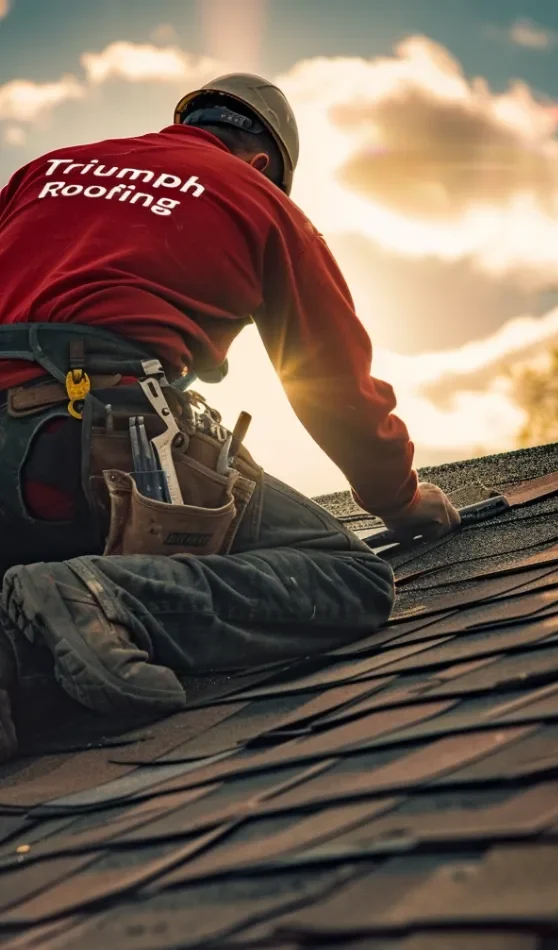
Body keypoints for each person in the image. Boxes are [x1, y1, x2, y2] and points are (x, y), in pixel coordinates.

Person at [0, 73, 460, 762]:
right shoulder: (259, 201)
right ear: (265, 163)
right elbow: (333, 385)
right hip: (95, 449)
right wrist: (398, 497)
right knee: (350, 577)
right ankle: (94, 595)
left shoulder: (43, 172)